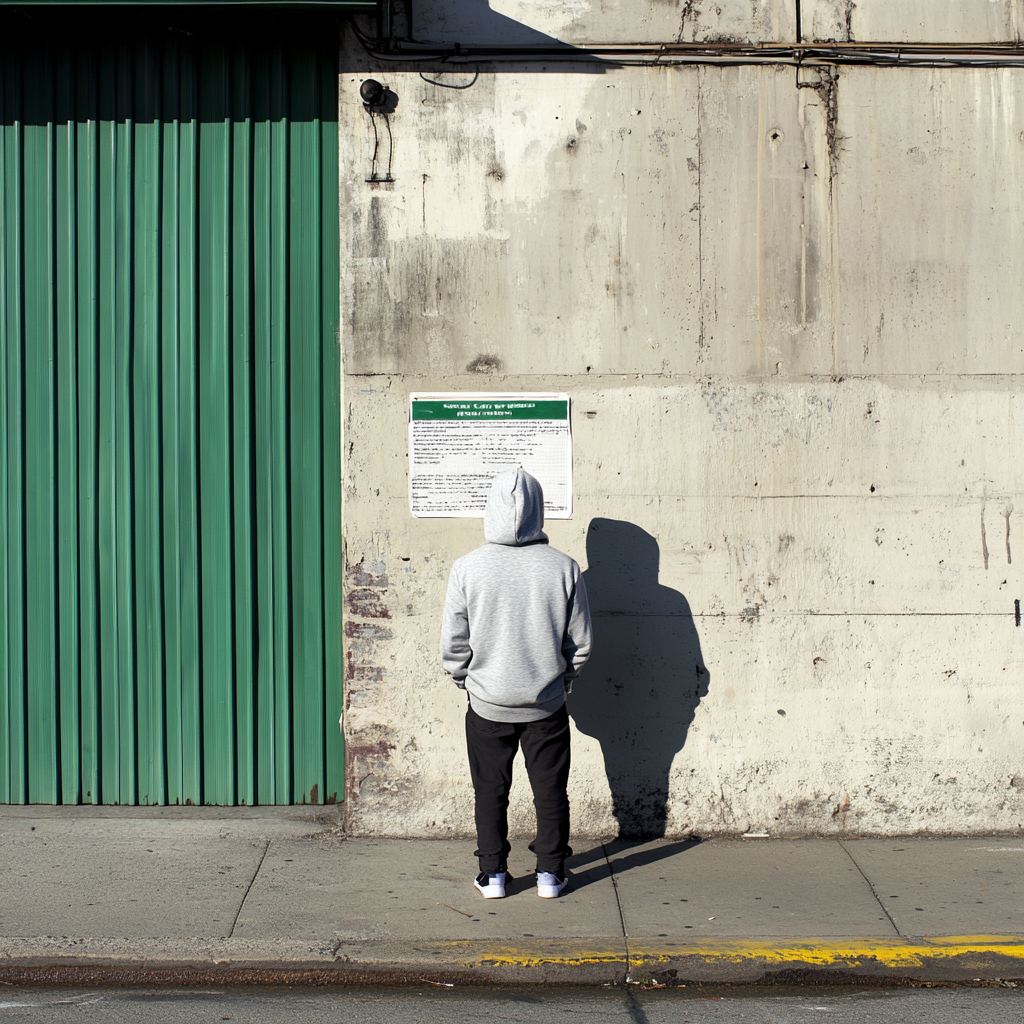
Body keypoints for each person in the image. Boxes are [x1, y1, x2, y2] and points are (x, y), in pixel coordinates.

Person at [441, 467, 592, 899]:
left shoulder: (467, 568)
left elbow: (453, 642)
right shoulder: (564, 568)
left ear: (490, 510)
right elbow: (580, 643)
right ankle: (550, 874)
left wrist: (466, 682)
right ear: (539, 509)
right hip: (545, 705)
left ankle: (493, 876)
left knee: (489, 791)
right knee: (550, 791)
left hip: (487, 704)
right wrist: (561, 681)